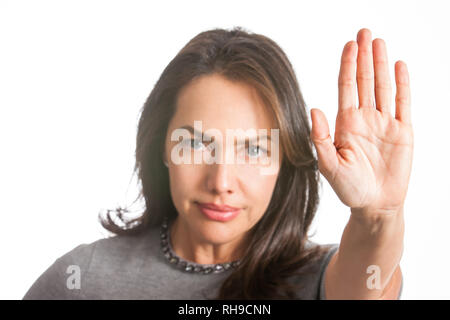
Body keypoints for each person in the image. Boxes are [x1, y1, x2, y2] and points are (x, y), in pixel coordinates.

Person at [23, 26, 411, 300]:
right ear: (162, 147)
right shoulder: (85, 279)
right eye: (195, 144)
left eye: (255, 149)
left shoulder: (321, 281)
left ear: (284, 161)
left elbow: (367, 287)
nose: (222, 181)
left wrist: (379, 214)